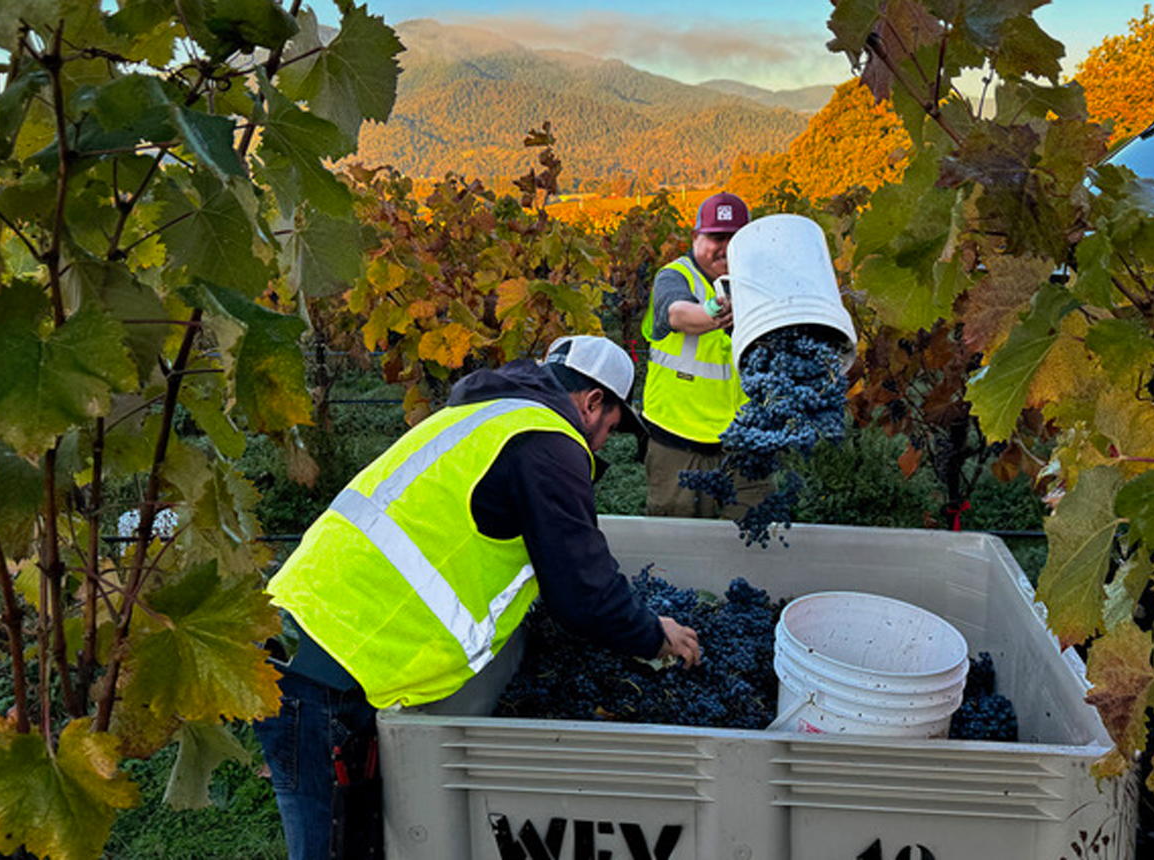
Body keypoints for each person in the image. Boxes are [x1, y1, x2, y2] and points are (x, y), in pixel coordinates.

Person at [254, 335, 702, 860]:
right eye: (613, 427)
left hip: (307, 633)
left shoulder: (486, 417)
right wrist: (653, 633)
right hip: (326, 666)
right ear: (593, 401)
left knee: (350, 840)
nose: (604, 443)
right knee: (328, 848)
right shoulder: (548, 441)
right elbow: (584, 594)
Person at [640, 191, 770, 518]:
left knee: (752, 548)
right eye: (716, 237)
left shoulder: (763, 284)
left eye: (735, 238)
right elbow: (678, 314)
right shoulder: (676, 277)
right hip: (679, 446)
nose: (725, 248)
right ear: (696, 237)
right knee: (678, 553)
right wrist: (716, 310)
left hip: (746, 447)